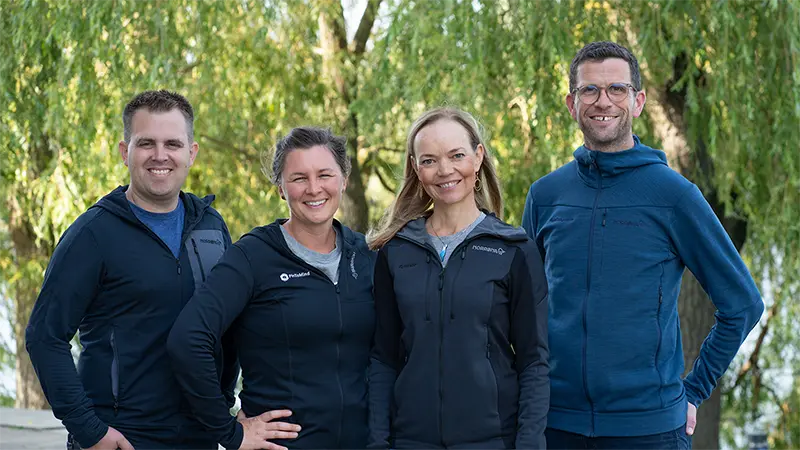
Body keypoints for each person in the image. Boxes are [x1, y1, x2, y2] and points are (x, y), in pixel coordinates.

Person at [522, 41, 765, 449]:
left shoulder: (674, 195)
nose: (603, 101)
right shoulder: (545, 195)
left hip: (650, 431)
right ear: (571, 103)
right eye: (590, 90)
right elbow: (523, 308)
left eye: (616, 89)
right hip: (555, 427)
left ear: (637, 102)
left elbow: (742, 304)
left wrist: (695, 389)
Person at [25, 90, 240, 449]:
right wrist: (90, 432)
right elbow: (44, 338)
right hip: (122, 438)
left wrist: (224, 407)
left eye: (173, 143)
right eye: (146, 144)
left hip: (199, 436)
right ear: (125, 152)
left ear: (192, 152)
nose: (160, 156)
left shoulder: (211, 227)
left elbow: (228, 326)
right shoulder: (93, 234)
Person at [167, 127, 376, 450]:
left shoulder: (366, 255)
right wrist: (228, 430)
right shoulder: (253, 256)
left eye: (325, 175)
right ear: (280, 187)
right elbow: (188, 339)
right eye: (298, 178)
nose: (314, 188)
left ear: (344, 179)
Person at [368, 107, 549, 450]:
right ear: (416, 168)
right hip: (411, 441)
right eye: (430, 160)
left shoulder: (515, 250)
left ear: (478, 157)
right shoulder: (395, 251)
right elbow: (383, 358)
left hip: (493, 441)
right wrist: (378, 442)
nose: (445, 170)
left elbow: (534, 362)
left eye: (457, 155)